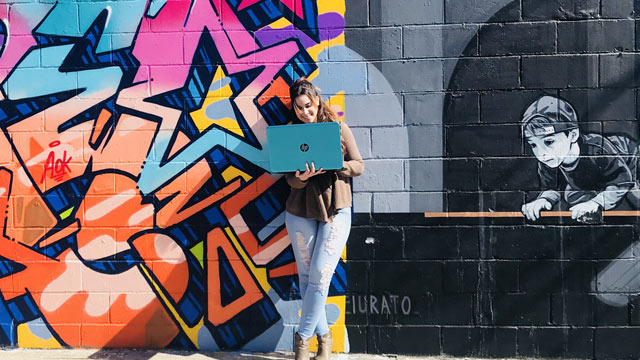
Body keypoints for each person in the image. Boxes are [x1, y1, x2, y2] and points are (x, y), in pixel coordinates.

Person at [284, 78, 364, 360]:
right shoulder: (292, 134)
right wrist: (302, 177)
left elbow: (359, 165)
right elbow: (289, 179)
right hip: (300, 212)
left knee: (320, 274)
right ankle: (324, 339)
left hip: (336, 210)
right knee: (307, 279)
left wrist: (337, 164)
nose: (305, 112)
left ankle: (302, 341)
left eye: (308, 105)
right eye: (298, 108)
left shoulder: (338, 128)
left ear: (317, 101)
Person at [521, 95, 640, 222]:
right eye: (533, 144)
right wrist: (543, 200)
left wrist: (596, 203)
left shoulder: (598, 149)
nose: (541, 153)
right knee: (571, 195)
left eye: (549, 141)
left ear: (573, 135)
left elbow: (622, 181)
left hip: (631, 164)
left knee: (635, 195)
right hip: (592, 180)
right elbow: (552, 187)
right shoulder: (548, 160)